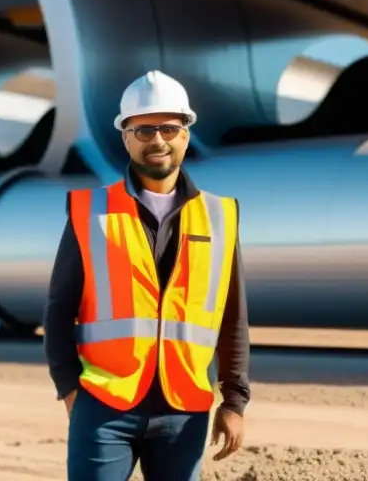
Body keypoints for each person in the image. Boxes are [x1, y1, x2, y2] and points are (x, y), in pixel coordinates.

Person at [43, 70, 250, 481]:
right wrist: (70, 390)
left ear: (186, 133)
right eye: (144, 129)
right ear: (125, 136)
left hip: (184, 409)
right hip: (104, 404)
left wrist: (234, 401)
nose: (158, 139)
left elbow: (232, 317)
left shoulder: (220, 217)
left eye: (169, 128)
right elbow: (57, 309)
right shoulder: (90, 211)